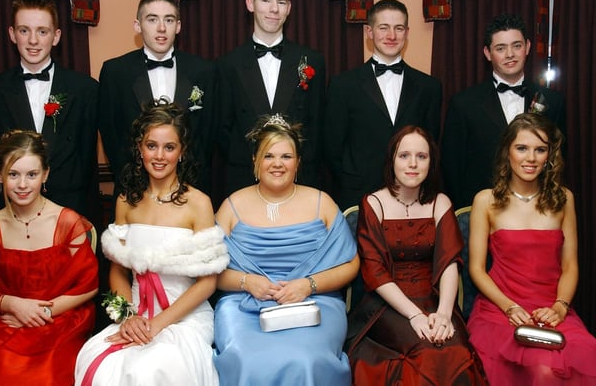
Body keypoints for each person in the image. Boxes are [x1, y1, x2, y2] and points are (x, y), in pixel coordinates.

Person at [74, 103, 229, 385]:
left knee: (155, 367)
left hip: (184, 316)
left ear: (181, 152)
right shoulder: (125, 202)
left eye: (169, 147)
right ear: (139, 149)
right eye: (151, 146)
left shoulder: (198, 203)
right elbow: (118, 271)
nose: (159, 156)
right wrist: (128, 317)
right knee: (99, 362)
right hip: (135, 312)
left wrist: (158, 324)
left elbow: (208, 283)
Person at [213, 114, 359, 385]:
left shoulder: (321, 203)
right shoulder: (232, 206)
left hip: (315, 304)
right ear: (255, 161)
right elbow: (208, 271)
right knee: (247, 357)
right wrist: (247, 282)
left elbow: (351, 263)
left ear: (298, 163)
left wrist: (308, 285)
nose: (277, 164)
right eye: (268, 156)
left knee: (306, 359)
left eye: (286, 157)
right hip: (243, 306)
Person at [346, 126, 487, 385]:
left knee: (455, 351)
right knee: (423, 351)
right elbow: (375, 272)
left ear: (431, 162)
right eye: (404, 156)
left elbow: (448, 264)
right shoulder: (373, 203)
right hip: (388, 303)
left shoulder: (440, 202)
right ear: (391, 160)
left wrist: (444, 313)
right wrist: (414, 316)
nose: (413, 164)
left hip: (435, 299)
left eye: (422, 157)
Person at [0, 130, 98, 386]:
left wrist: (42, 310)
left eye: (31, 174)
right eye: (13, 174)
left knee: (47, 374)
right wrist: (14, 305)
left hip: (59, 319)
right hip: (7, 320)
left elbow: (89, 286)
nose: (22, 184)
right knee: (0, 369)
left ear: (45, 174)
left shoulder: (67, 222)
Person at [467, 113, 596, 385]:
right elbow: (477, 270)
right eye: (522, 148)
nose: (531, 158)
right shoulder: (485, 200)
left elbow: (570, 265)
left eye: (540, 150)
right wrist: (509, 307)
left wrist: (560, 308)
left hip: (552, 309)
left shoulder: (564, 198)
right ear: (507, 152)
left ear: (550, 155)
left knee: (583, 356)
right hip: (500, 310)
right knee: (542, 369)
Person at [0, 0, 99, 218]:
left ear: (56, 36)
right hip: (14, 212)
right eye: (24, 31)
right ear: (12, 34)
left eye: (42, 31)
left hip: (68, 211)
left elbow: (85, 161)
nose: (33, 40)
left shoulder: (86, 89)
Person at [215, 0, 326, 196]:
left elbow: (316, 125)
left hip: (299, 180)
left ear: (289, 8)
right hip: (244, 180)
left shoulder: (312, 61)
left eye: (281, 1)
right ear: (250, 4)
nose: (274, 9)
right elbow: (223, 130)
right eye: (266, 0)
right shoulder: (228, 64)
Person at [325, 0, 442, 210]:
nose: (391, 36)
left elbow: (430, 145)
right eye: (383, 28)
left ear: (407, 32)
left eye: (398, 28)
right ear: (369, 31)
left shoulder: (429, 87)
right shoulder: (342, 85)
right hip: (358, 197)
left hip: (412, 197)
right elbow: (333, 148)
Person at [441, 13, 565, 210]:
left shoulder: (552, 101)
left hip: (538, 209)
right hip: (482, 211)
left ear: (528, 47)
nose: (510, 54)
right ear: (488, 53)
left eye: (517, 45)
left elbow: (557, 160)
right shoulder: (463, 103)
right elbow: (452, 168)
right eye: (500, 48)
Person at [98, 0, 214, 194]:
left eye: (169, 20)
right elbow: (111, 133)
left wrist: (189, 179)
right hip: (134, 189)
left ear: (178, 26)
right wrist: (132, 180)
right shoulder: (115, 71)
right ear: (137, 25)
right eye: (152, 19)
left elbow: (207, 132)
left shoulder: (202, 71)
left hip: (190, 187)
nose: (161, 28)